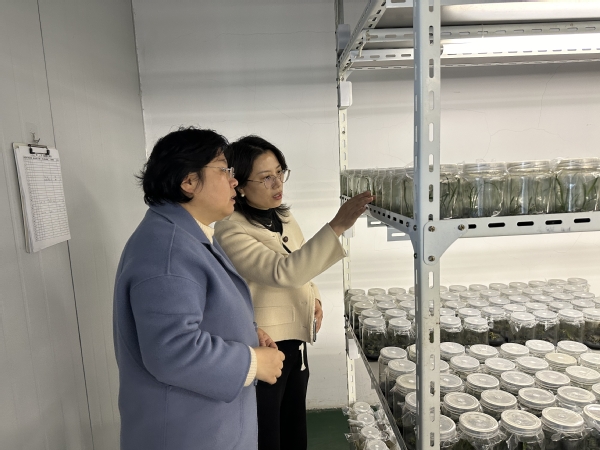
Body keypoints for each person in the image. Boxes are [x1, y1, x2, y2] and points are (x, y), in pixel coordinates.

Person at [113, 127, 285, 450]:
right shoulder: (168, 249)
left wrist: (247, 334)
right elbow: (172, 349)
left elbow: (197, 312)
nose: (234, 181)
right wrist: (252, 362)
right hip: (187, 434)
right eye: (224, 170)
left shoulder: (187, 234)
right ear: (189, 182)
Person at [214, 135, 373, 450]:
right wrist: (337, 226)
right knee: (267, 432)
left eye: (280, 172)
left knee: (294, 426)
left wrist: (314, 297)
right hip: (263, 344)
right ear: (239, 185)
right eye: (266, 177)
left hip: (296, 339)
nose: (277, 184)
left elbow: (301, 261)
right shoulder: (230, 229)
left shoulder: (282, 216)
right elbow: (283, 271)